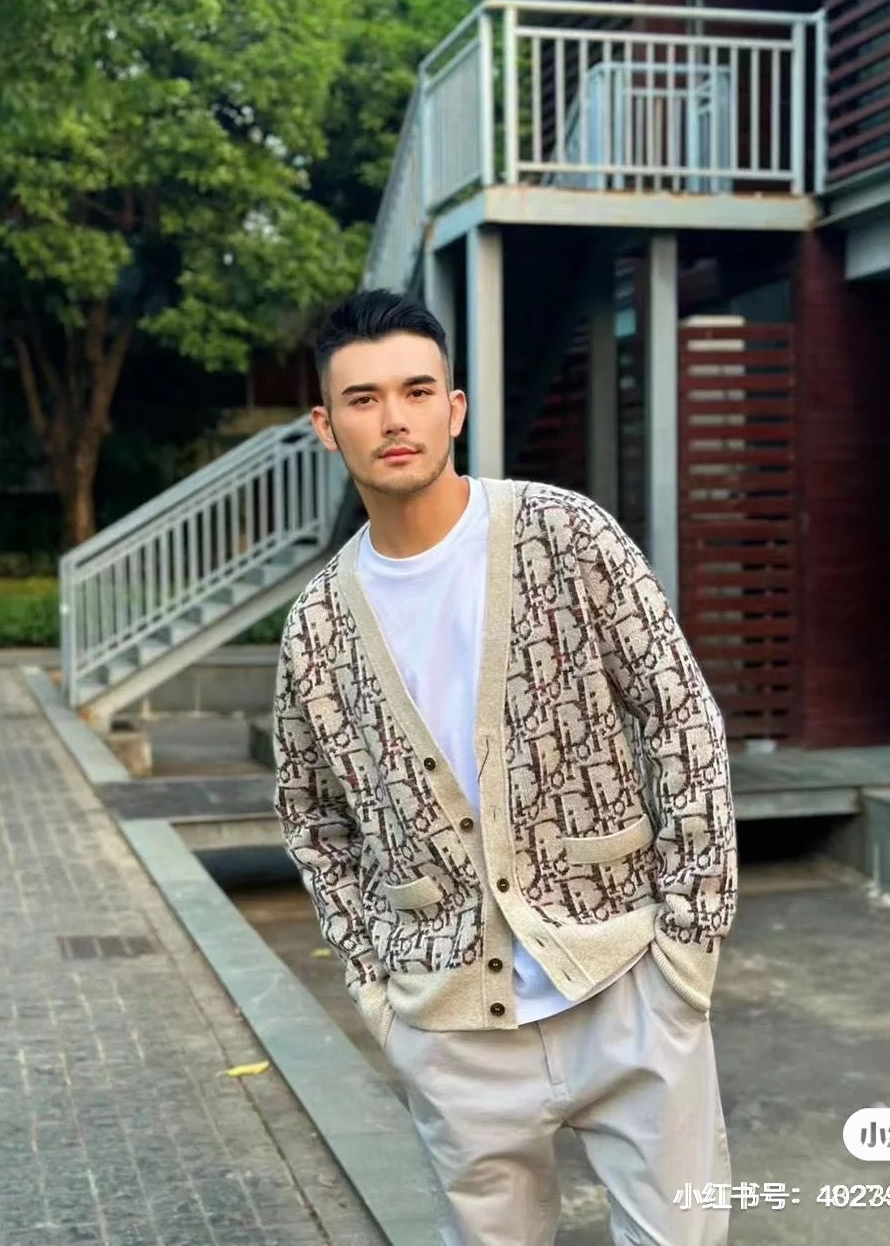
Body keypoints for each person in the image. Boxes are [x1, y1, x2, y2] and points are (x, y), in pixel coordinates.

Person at [273, 289, 737, 1246]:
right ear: (326, 425)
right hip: (452, 1029)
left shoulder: (566, 536)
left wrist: (688, 948)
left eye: (416, 391)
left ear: (455, 408)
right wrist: (380, 998)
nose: (393, 419)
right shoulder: (317, 626)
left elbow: (681, 719)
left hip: (624, 980)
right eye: (363, 399)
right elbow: (312, 822)